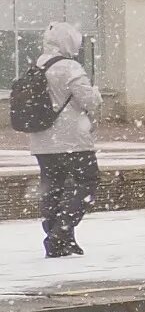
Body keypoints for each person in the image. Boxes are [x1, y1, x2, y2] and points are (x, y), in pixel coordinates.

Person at [29, 23, 99, 259]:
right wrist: (96, 93)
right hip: (73, 140)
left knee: (53, 188)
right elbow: (89, 101)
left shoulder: (38, 65)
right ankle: (61, 233)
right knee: (87, 183)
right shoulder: (70, 67)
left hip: (42, 140)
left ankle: (60, 237)